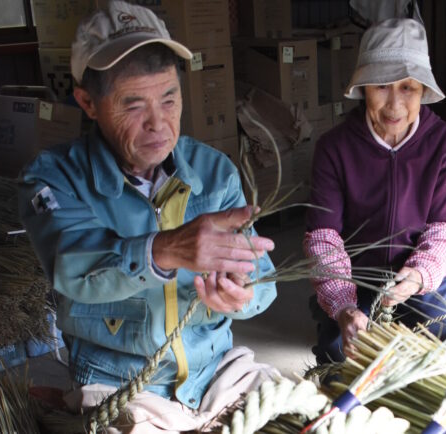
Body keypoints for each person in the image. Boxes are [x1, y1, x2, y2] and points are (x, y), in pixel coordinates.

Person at [17, 2, 277, 431]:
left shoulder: (213, 172)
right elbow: (71, 268)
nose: (159, 124)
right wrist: (166, 249)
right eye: (133, 104)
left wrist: (244, 294)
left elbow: (262, 276)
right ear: (88, 102)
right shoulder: (52, 179)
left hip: (214, 374)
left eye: (169, 98)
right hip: (120, 385)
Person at [304, 18, 446, 364]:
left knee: (436, 344)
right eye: (381, 87)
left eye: (408, 88)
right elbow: (323, 236)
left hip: (418, 275)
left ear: (423, 90)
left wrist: (418, 275)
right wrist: (344, 304)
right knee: (338, 355)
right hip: (355, 277)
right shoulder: (335, 147)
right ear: (363, 89)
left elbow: (444, 229)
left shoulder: (443, 143)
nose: (394, 106)